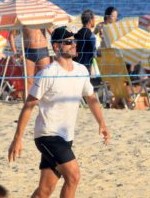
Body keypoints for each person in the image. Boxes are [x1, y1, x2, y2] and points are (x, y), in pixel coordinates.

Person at [8, 26, 110, 198]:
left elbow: (91, 98)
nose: (74, 44)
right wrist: (17, 139)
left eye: (74, 41)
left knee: (45, 191)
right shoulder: (47, 73)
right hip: (47, 136)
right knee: (73, 176)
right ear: (56, 47)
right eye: (68, 42)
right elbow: (28, 106)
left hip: (66, 137)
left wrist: (102, 123)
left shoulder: (81, 70)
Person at [9, 27, 54, 95]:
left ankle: (43, 102)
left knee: (44, 79)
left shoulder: (43, 17)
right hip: (28, 51)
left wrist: (58, 46)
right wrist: (15, 52)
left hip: (42, 51)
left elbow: (53, 33)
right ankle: (28, 103)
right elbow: (12, 35)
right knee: (28, 81)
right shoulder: (22, 18)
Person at [74, 9, 96, 73]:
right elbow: (94, 54)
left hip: (76, 66)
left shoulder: (77, 34)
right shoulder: (91, 36)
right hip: (86, 67)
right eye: (94, 19)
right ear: (90, 20)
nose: (95, 21)